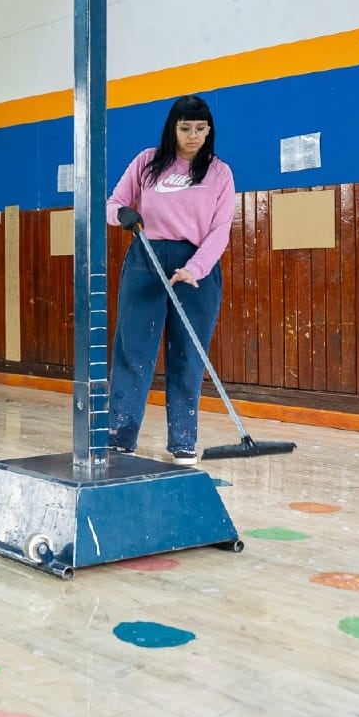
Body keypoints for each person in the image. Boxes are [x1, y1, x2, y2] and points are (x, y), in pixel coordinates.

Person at [105, 95, 236, 465]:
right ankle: (121, 433)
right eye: (185, 128)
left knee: (187, 353)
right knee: (134, 349)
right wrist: (124, 215)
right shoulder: (147, 163)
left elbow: (221, 229)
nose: (192, 136)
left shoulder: (219, 173)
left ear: (209, 130)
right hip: (146, 258)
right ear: (172, 128)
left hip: (195, 270)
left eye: (199, 128)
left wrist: (195, 268)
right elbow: (112, 204)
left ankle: (182, 439)